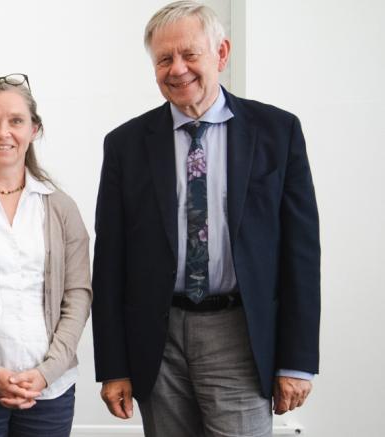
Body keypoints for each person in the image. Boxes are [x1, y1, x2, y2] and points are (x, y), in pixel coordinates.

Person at [92, 2, 320, 436]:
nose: (177, 69)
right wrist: (114, 366)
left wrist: (297, 359)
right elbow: (110, 263)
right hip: (158, 339)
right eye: (163, 59)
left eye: (189, 54)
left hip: (241, 334)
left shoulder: (277, 131)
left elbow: (301, 254)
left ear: (221, 52)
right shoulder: (125, 145)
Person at [0, 74, 91, 437]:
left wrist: (46, 372)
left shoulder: (61, 208)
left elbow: (77, 295)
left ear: (35, 129)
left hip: (50, 388)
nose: (3, 132)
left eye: (16, 120)